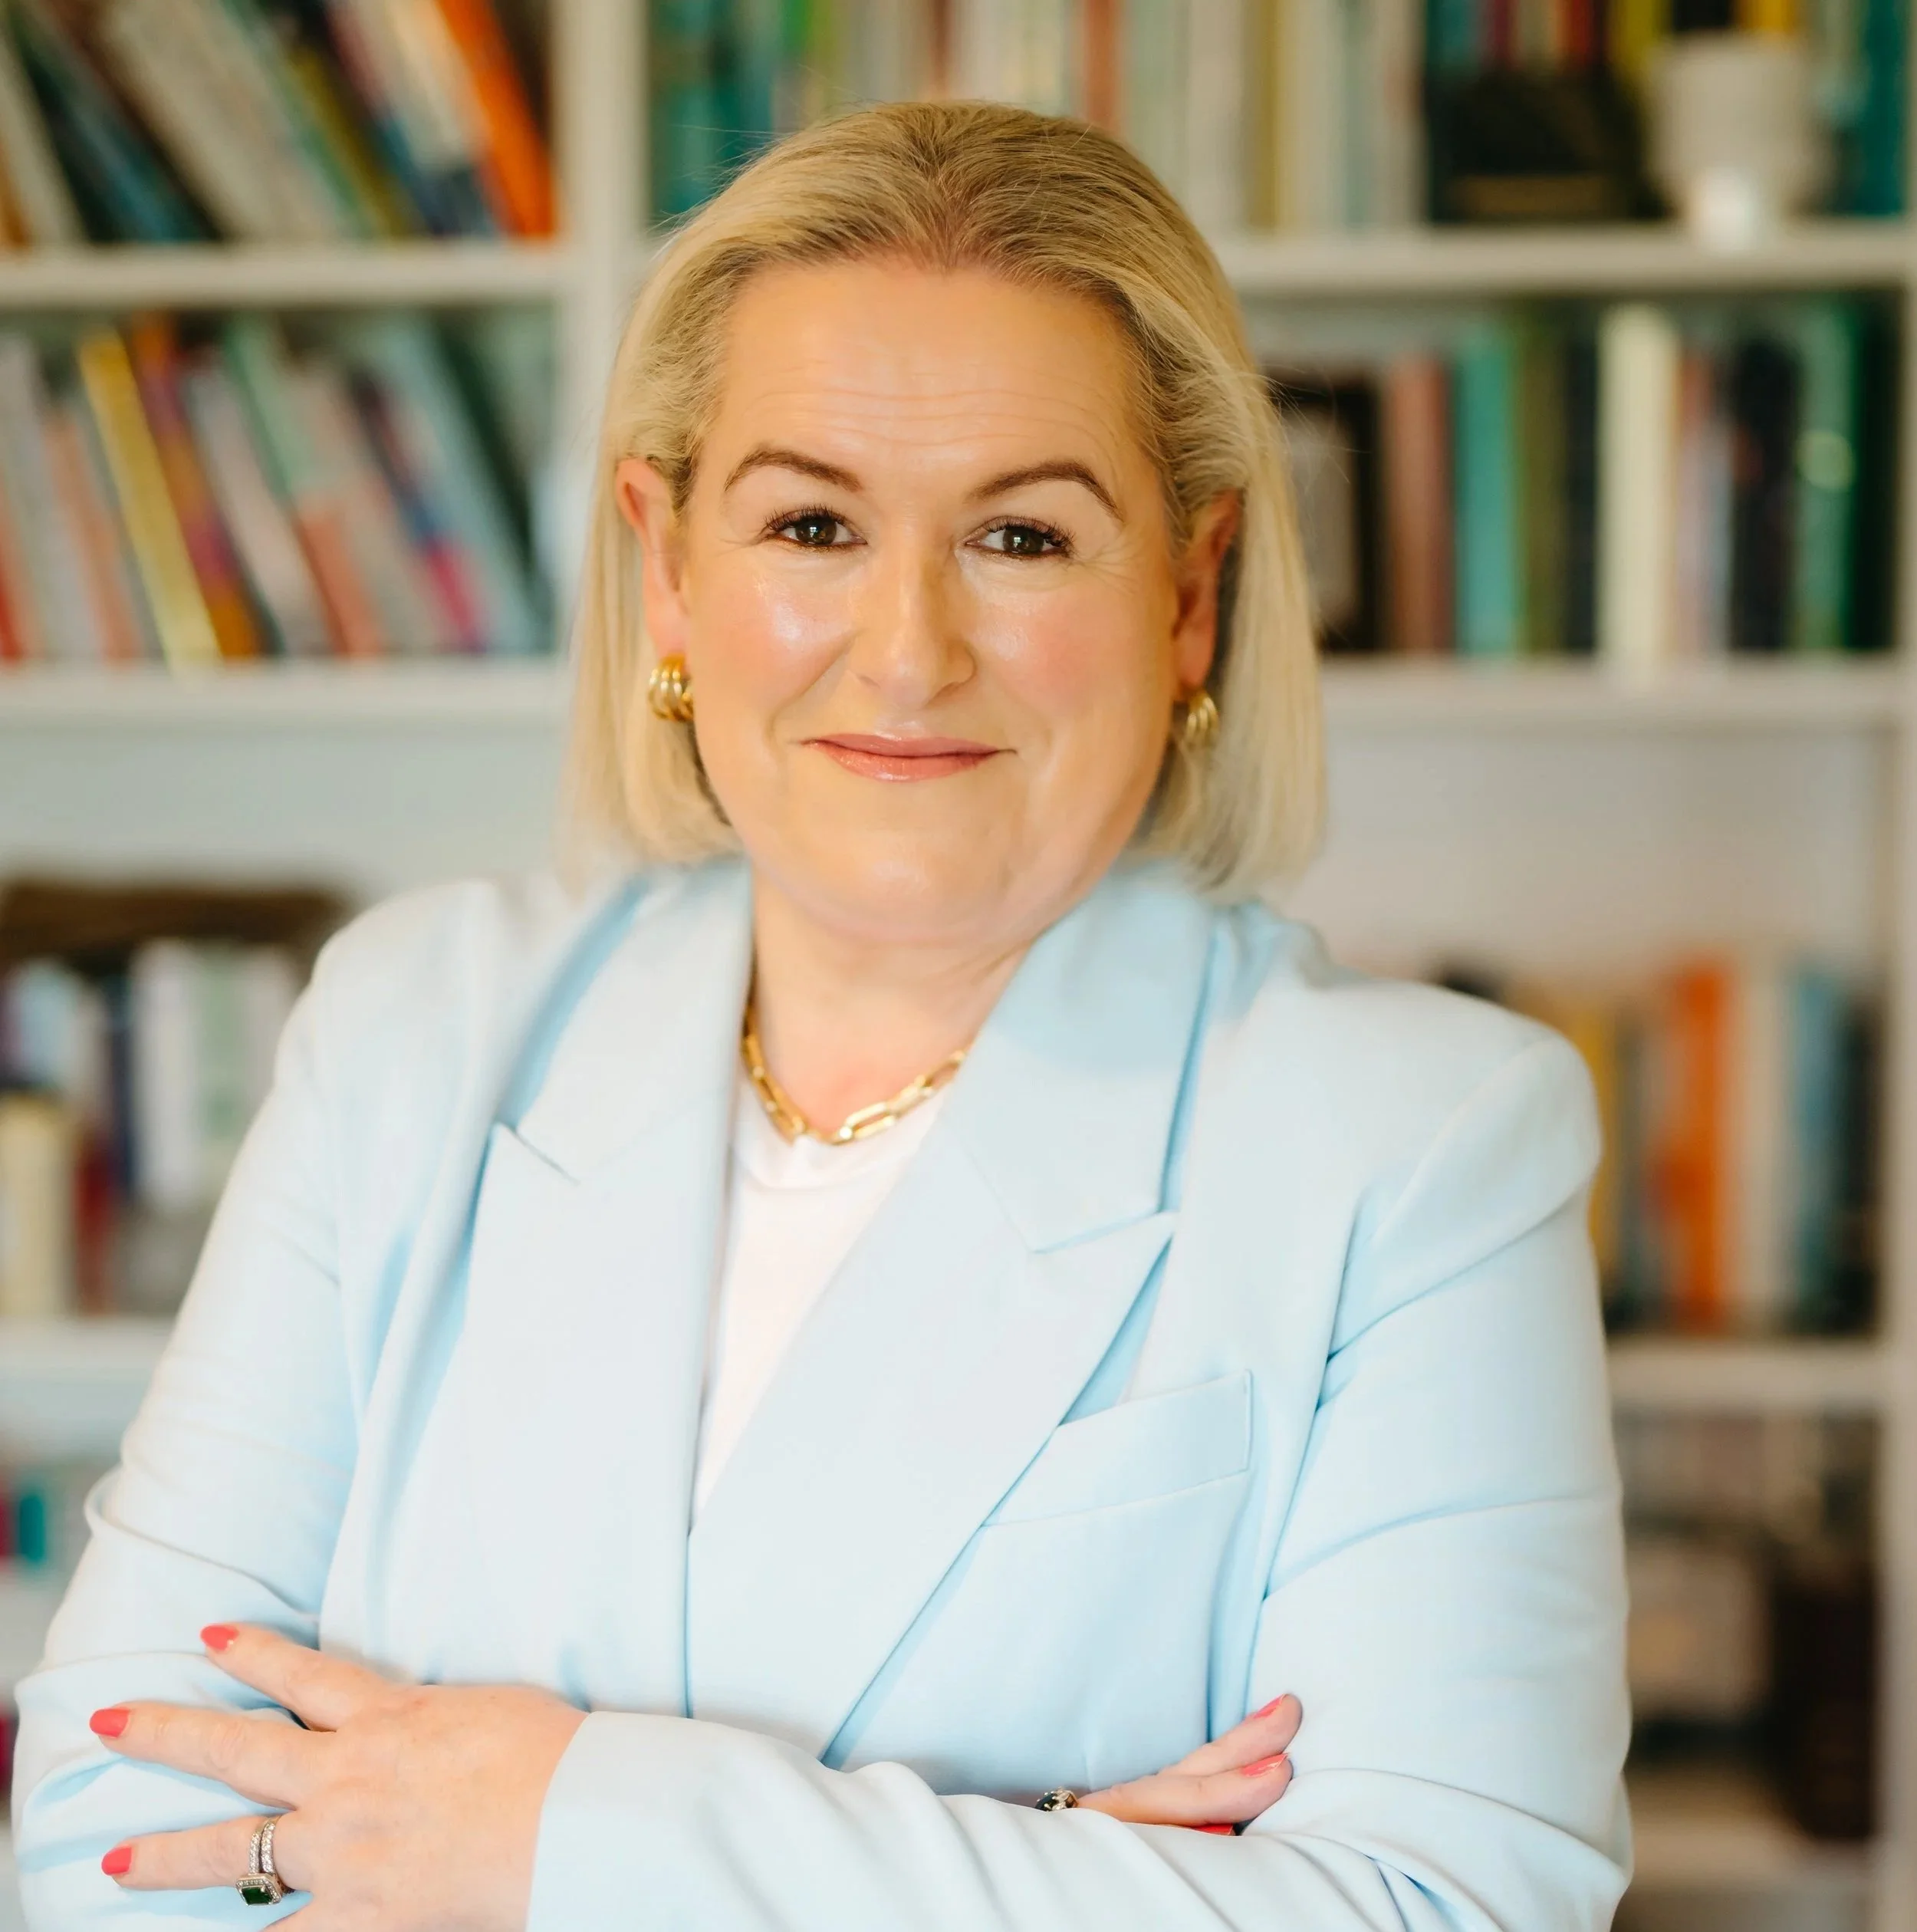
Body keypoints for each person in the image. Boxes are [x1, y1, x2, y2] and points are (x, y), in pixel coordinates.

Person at [12, 100, 1630, 1930]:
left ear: (1189, 595)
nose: (906, 648)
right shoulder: (413, 1025)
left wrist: (560, 1837)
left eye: (1021, 537)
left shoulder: (1420, 1142)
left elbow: (1441, 1911)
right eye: (808, 521)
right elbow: (100, 1848)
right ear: (667, 564)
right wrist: (1044, 1845)